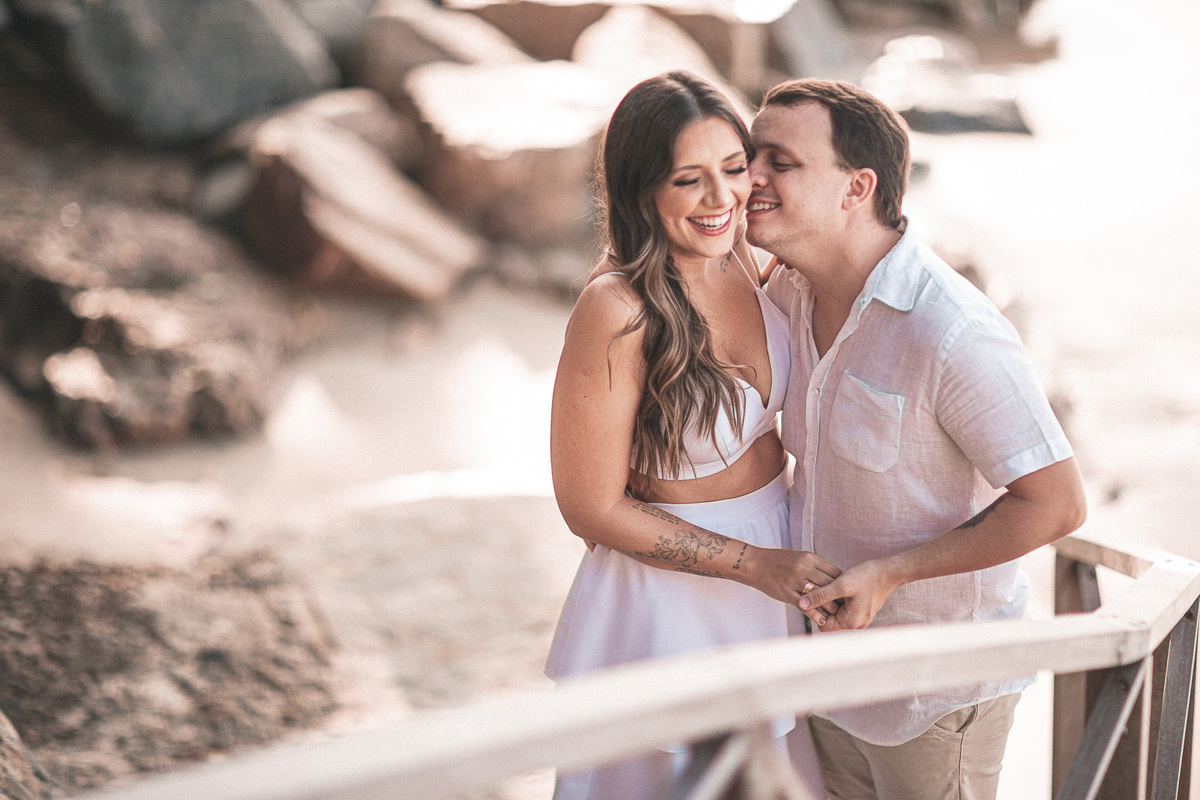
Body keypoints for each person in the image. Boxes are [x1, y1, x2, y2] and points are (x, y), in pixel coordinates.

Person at [746, 78, 1088, 800]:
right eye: (752, 156)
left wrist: (892, 574)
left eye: (781, 161)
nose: (752, 177)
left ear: (857, 187)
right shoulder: (785, 293)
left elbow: (1057, 503)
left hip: (934, 692)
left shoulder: (953, 332)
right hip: (826, 675)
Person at [545, 71, 834, 800]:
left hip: (775, 574)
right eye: (688, 180)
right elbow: (589, 508)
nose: (721, 198)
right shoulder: (616, 310)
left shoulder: (742, 253)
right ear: (643, 191)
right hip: (674, 604)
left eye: (733, 168)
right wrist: (753, 564)